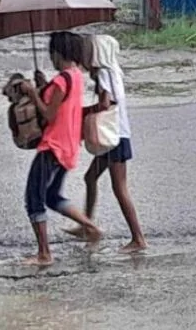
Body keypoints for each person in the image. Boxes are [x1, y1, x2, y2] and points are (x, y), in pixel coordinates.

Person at [19, 31, 103, 266]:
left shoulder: (61, 80)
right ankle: (90, 226)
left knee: (33, 198)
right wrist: (43, 86)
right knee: (52, 196)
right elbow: (61, 104)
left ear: (57, 53)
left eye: (52, 54)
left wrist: (33, 92)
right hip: (68, 146)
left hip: (52, 146)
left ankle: (44, 253)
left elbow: (49, 114)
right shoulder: (75, 76)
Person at [63, 34, 148, 254]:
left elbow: (105, 103)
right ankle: (86, 225)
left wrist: (80, 112)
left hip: (114, 137)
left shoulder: (103, 74)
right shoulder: (113, 72)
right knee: (90, 177)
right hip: (115, 135)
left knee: (119, 188)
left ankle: (138, 238)